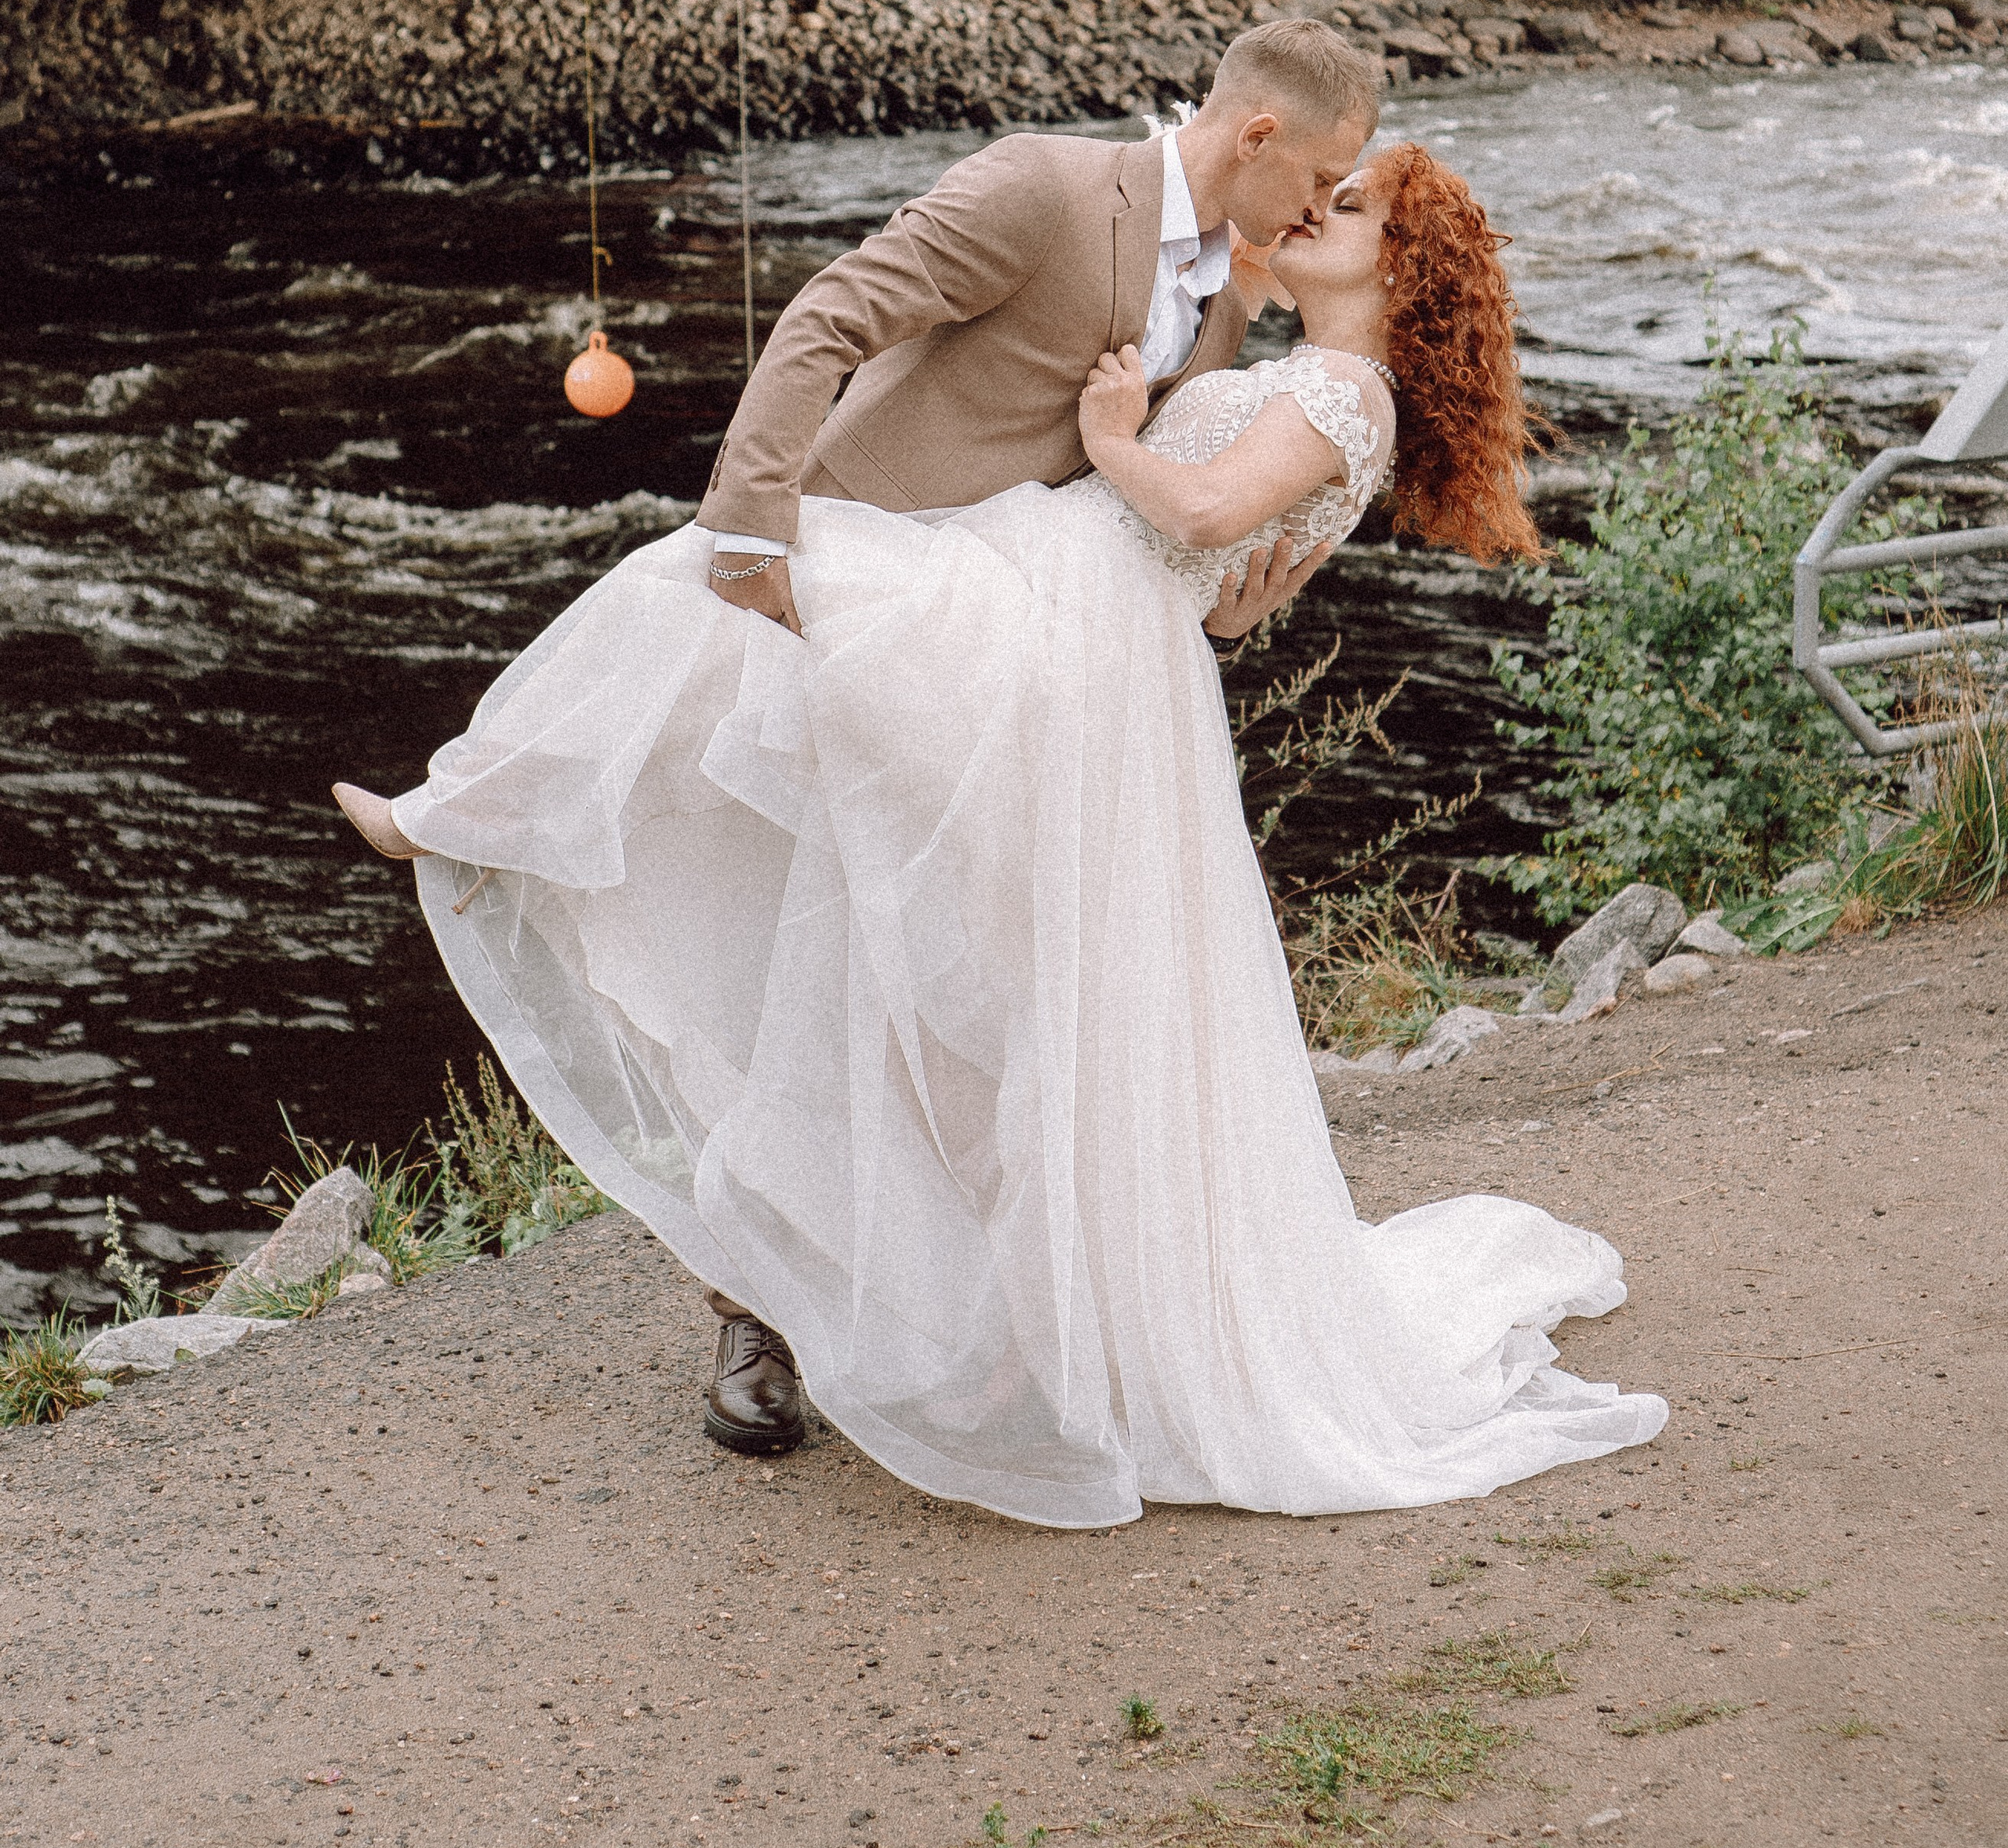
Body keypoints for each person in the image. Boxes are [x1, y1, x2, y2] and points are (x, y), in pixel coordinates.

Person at [334, 95, 1668, 1526]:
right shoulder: (1248, 322)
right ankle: (905, 1298)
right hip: (1072, 625)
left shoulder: (1347, 393)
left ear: (1399, 274)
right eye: (1317, 188)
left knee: (756, 603)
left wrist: (1109, 437)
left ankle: (473, 810)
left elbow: (1210, 523)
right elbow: (1230, 581)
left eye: (1347, 210)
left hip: (1068, 630)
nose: (1312, 214)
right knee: (891, 894)